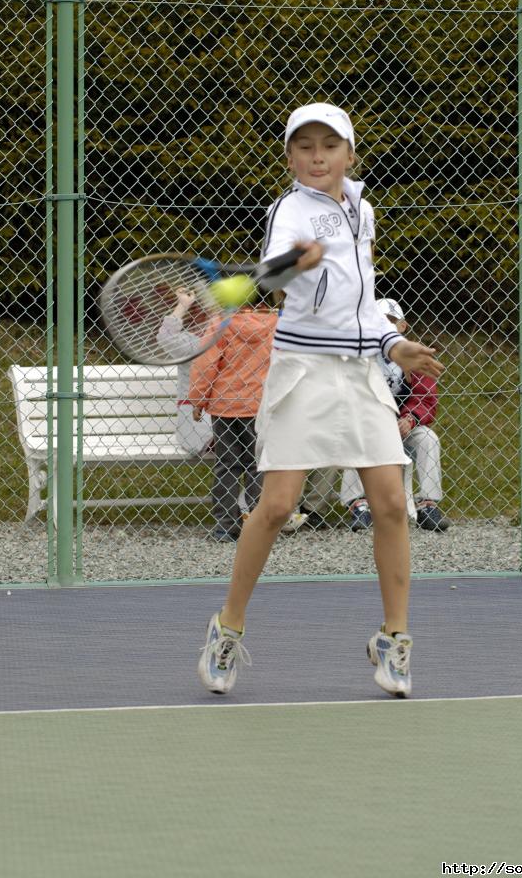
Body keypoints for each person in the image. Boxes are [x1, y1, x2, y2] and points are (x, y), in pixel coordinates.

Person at [197, 101, 444, 699]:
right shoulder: (288, 210)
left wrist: (394, 343)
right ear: (290, 157)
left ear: (349, 155)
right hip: (303, 370)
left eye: (328, 146)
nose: (316, 156)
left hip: (361, 370)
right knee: (277, 506)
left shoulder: (362, 208)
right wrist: (291, 261)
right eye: (304, 146)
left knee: (389, 502)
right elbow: (272, 275)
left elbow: (359, 300)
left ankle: (394, 637)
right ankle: (227, 628)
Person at [343, 297, 450, 533]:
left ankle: (427, 505)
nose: (386, 325)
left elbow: (425, 396)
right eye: (380, 320)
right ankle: (359, 506)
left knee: (427, 438)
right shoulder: (360, 354)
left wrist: (410, 418)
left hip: (403, 424)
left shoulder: (410, 355)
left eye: (392, 320)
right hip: (369, 424)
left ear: (403, 326)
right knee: (355, 435)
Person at [189, 300, 277, 542]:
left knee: (226, 465)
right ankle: (260, 524)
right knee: (257, 465)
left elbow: (205, 363)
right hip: (259, 404)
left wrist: (198, 399)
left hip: (225, 404)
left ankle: (226, 525)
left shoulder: (221, 323)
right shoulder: (276, 322)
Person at [156, 288, 213, 455]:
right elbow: (165, 337)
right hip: (200, 430)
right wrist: (182, 306)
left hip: (236, 419)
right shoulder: (191, 343)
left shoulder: (233, 335)